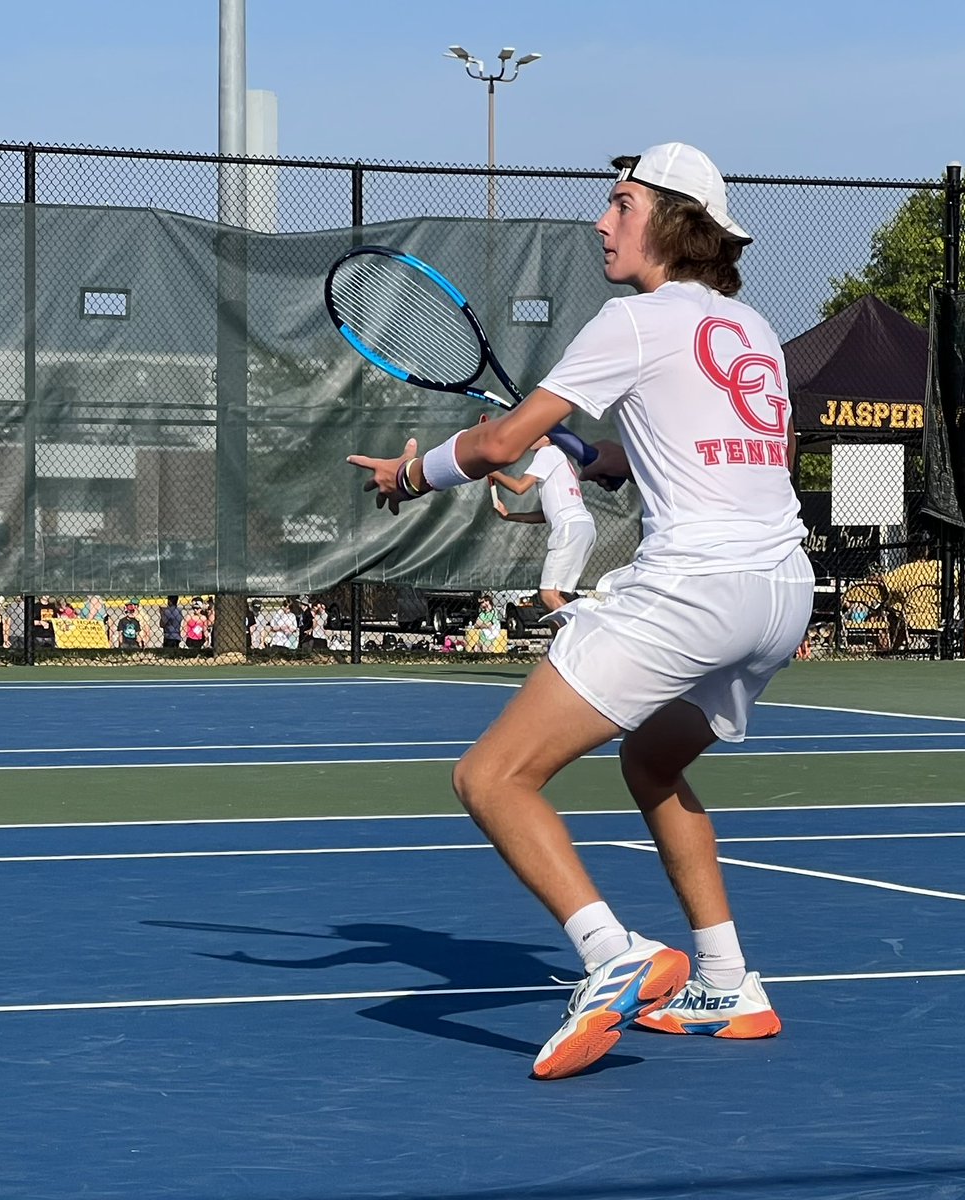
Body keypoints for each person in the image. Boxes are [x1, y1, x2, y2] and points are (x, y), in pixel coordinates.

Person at [348, 141, 813, 1080]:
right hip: (780, 594)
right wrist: (603, 459)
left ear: (673, 223)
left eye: (622, 205)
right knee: (651, 759)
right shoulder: (754, 328)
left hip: (690, 591)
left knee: (492, 777)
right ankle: (727, 982)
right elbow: (753, 453)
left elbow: (502, 441)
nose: (602, 222)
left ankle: (613, 954)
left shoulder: (633, 319)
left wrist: (411, 472)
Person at [489, 435, 597, 615]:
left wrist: (493, 472)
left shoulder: (547, 453)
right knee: (559, 595)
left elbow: (520, 487)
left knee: (548, 596)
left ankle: (581, 638)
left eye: (539, 431)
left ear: (548, 438)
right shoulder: (558, 456)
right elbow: (546, 515)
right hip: (583, 527)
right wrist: (509, 516)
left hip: (570, 528)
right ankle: (562, 641)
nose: (531, 434)